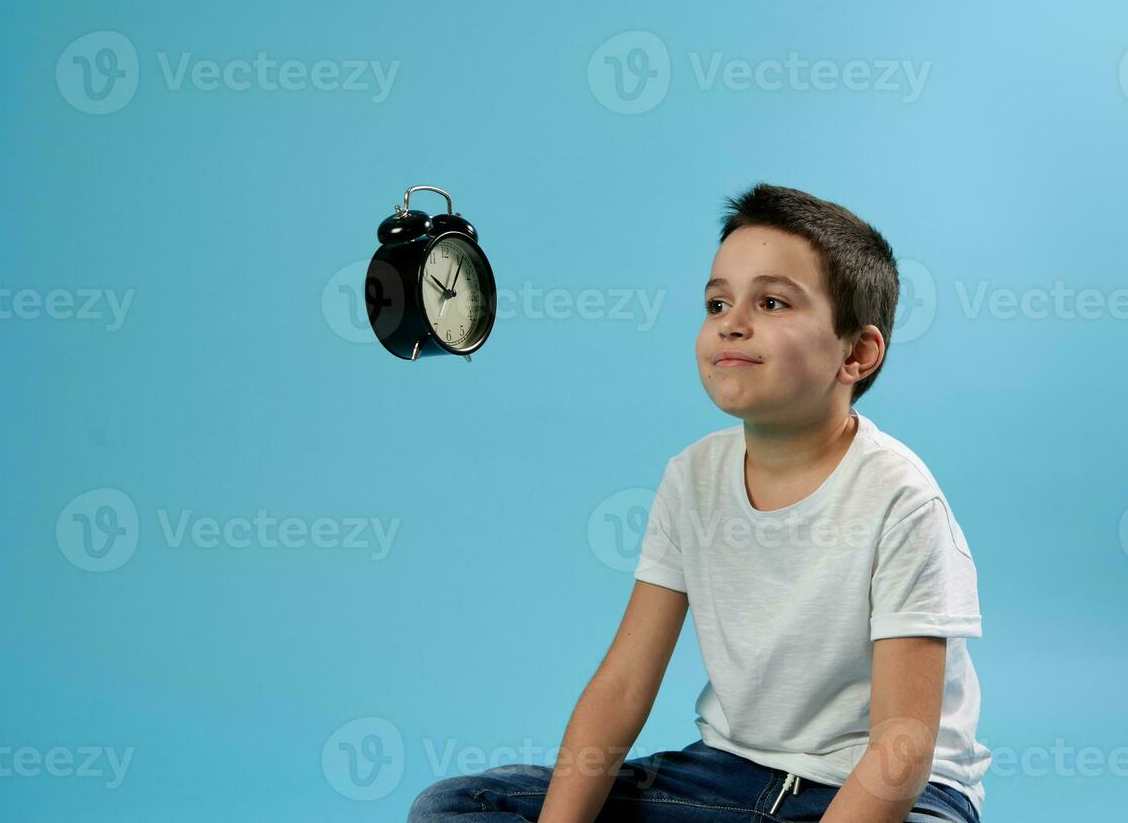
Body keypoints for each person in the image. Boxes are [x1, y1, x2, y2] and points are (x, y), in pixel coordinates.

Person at [408, 183, 990, 823]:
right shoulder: (692, 477)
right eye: (717, 303)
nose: (732, 321)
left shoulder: (900, 500)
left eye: (771, 301)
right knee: (458, 804)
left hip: (888, 795)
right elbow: (623, 686)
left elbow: (901, 749)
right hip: (727, 777)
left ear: (857, 352)